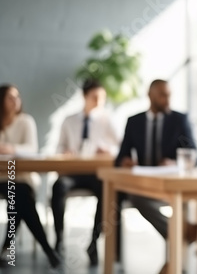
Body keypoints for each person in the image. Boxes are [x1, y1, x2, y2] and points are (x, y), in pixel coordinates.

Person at [115, 79, 197, 243]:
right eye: (162, 95)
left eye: (168, 95)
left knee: (183, 199)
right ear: (149, 95)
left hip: (171, 183)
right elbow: (119, 158)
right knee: (134, 197)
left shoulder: (179, 120)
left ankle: (177, 237)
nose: (166, 100)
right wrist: (126, 161)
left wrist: (174, 163)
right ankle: (182, 234)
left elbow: (193, 155)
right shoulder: (134, 122)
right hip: (143, 184)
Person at [51, 78, 120, 265]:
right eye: (95, 97)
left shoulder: (106, 120)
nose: (99, 102)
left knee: (106, 191)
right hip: (72, 173)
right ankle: (58, 240)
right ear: (84, 97)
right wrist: (64, 153)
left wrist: (108, 150)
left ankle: (94, 242)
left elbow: (122, 147)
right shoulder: (69, 120)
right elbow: (58, 149)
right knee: (58, 187)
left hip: (96, 174)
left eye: (102, 98)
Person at [0, 84, 61, 268]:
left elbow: (31, 149)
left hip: (21, 177)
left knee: (18, 197)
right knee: (20, 198)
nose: (15, 101)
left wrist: (10, 149)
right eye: (10, 97)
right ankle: (48, 250)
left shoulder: (25, 121)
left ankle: (6, 248)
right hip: (1, 178)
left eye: (17, 97)